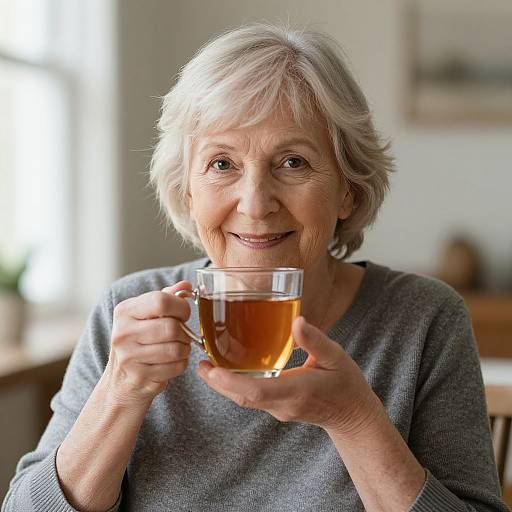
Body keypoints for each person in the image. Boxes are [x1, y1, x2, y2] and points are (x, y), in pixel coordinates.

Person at [2, 21, 509, 512]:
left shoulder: (424, 319)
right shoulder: (130, 311)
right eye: (222, 164)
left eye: (293, 163)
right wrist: (120, 392)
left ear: (346, 191)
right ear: (187, 188)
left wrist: (354, 419)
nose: (256, 202)